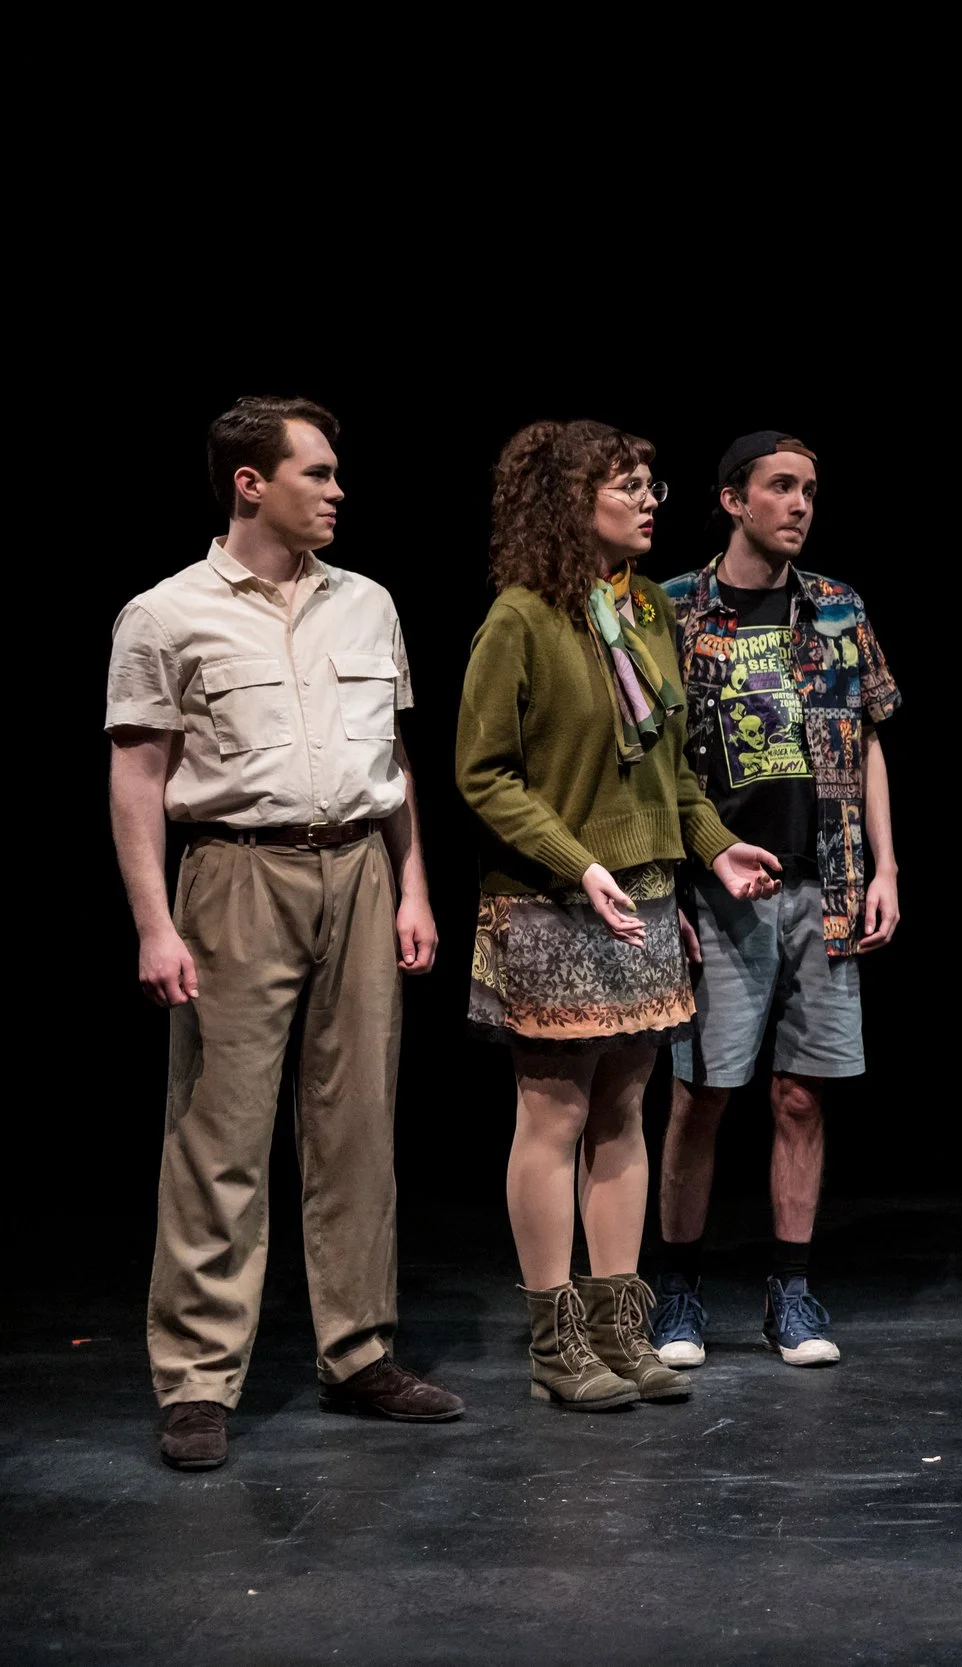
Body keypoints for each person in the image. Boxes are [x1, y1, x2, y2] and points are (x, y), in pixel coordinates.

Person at [107, 396, 463, 1471]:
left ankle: (357, 1351)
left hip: (358, 863)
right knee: (219, 1131)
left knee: (357, 1122)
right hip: (235, 873)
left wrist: (415, 886)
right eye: (317, 472)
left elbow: (393, 759)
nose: (338, 489)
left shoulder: (369, 604)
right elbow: (135, 778)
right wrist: (154, 923)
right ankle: (198, 1377)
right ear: (250, 482)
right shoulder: (166, 613)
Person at [455, 420, 784, 1411]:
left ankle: (616, 1323)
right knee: (553, 1117)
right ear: (569, 502)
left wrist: (713, 846)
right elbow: (484, 772)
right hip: (552, 901)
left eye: (653, 484)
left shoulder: (641, 611)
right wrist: (579, 860)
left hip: (641, 898)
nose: (650, 500)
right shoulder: (521, 617)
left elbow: (670, 769)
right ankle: (556, 1340)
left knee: (624, 1116)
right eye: (628, 485)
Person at [649, 432, 902, 1369]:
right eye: (781, 487)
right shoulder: (672, 609)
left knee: (802, 1094)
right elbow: (649, 760)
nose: (800, 503)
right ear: (732, 500)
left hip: (823, 882)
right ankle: (677, 1288)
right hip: (719, 889)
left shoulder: (837, 607)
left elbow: (870, 733)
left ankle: (790, 1292)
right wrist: (666, 883)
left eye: (810, 490)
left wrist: (885, 867)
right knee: (701, 1093)